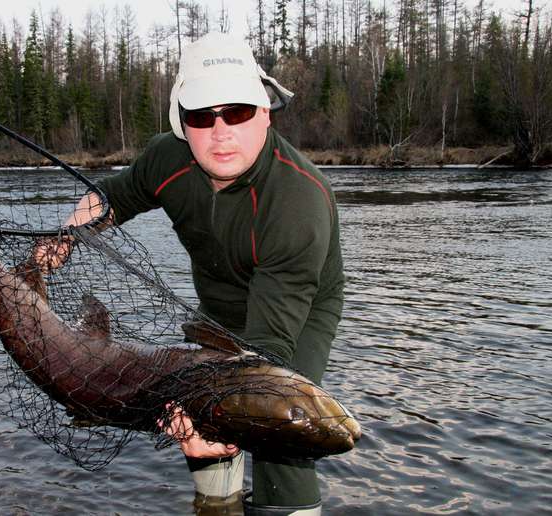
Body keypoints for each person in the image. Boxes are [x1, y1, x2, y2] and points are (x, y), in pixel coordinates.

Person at [38, 33, 344, 516]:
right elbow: (114, 196)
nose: (221, 132)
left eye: (238, 112)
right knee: (200, 425)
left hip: (295, 317)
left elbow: (268, 351)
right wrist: (66, 234)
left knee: (280, 431)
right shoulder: (168, 158)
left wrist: (230, 412)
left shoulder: (297, 202)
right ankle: (215, 503)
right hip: (218, 306)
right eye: (203, 117)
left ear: (265, 111)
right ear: (182, 124)